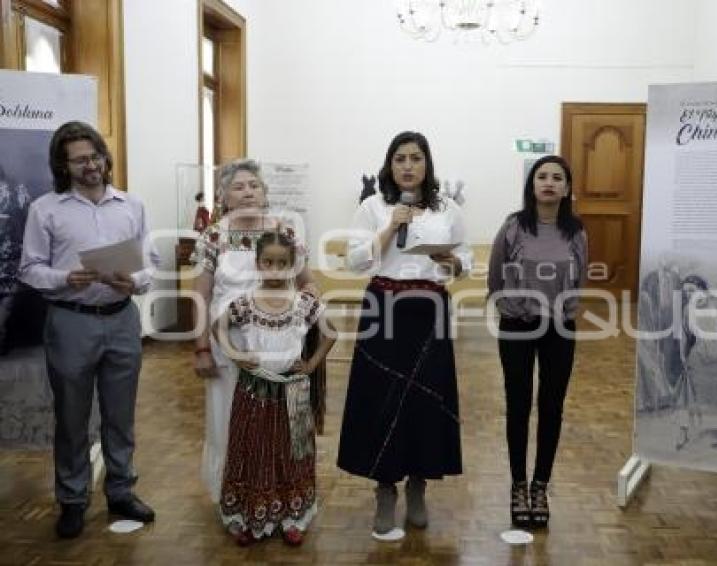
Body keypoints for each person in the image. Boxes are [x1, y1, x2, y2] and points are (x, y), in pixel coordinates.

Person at [18, 121, 159, 538]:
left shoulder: (130, 205)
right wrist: (66, 279)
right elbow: (30, 269)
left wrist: (135, 281)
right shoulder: (46, 209)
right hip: (70, 322)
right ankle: (73, 499)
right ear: (63, 165)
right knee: (72, 416)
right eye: (80, 160)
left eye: (95, 156)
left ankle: (120, 491)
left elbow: (150, 262)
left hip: (121, 317)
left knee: (120, 415)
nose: (91, 165)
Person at [337, 131, 471, 537]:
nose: (408, 165)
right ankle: (385, 488)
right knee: (380, 397)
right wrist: (388, 227)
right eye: (400, 159)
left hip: (429, 309)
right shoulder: (372, 206)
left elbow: (463, 260)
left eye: (416, 158)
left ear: (427, 163)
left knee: (426, 398)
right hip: (384, 307)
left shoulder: (446, 207)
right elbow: (357, 263)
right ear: (389, 164)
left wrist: (450, 260)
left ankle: (418, 486)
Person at [191, 158, 318, 502]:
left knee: (276, 420)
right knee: (228, 418)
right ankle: (234, 496)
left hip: (277, 341)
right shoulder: (213, 236)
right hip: (229, 345)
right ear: (224, 198)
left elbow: (308, 284)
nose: (248, 192)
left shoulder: (284, 232)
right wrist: (202, 348)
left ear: (265, 193)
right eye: (238, 186)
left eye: (254, 186)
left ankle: (278, 493)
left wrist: (303, 308)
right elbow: (200, 295)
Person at [213, 230, 335, 546]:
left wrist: (310, 366)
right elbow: (218, 327)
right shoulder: (246, 303)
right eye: (268, 262)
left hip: (293, 393)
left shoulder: (304, 303)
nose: (275, 269)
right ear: (258, 263)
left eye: (283, 264)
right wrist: (237, 355)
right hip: (253, 393)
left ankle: (293, 517)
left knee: (294, 454)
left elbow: (331, 333)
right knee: (251, 452)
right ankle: (248, 515)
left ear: (293, 266)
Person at [487, 155, 587, 529]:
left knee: (552, 406)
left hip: (559, 327)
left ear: (566, 187)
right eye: (542, 176)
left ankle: (540, 485)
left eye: (557, 177)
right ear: (532, 185)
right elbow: (495, 277)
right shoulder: (514, 226)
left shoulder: (576, 231)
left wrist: (562, 312)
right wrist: (511, 307)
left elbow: (580, 280)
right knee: (518, 404)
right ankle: (517, 484)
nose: (549, 182)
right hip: (517, 326)